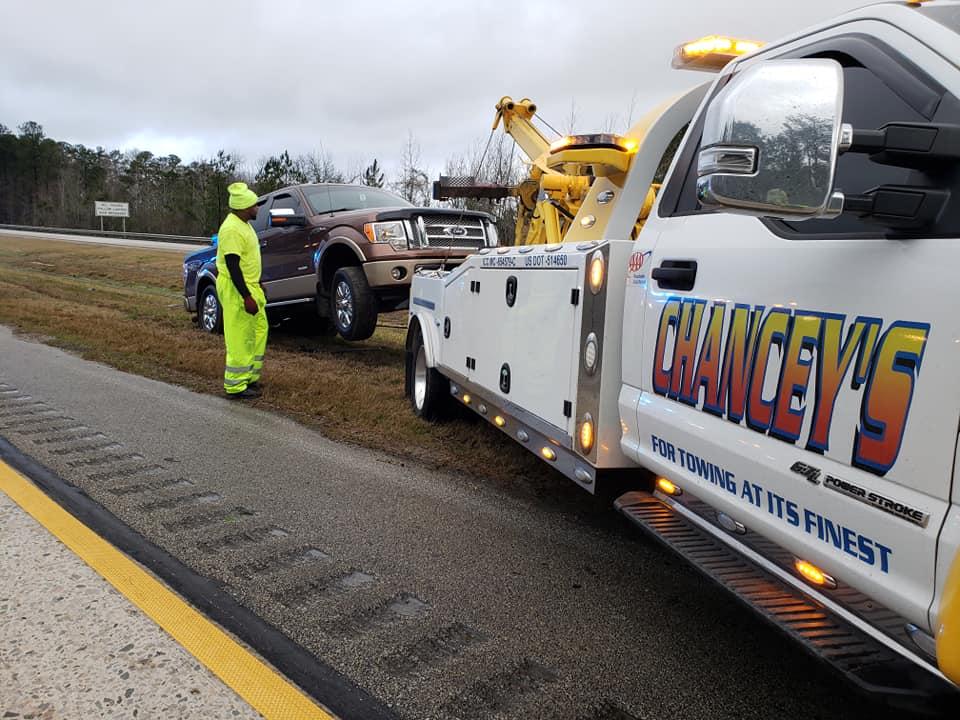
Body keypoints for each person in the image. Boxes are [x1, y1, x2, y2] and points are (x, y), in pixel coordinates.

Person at [215, 182, 266, 399]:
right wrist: (246, 296)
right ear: (244, 207)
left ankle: (249, 378)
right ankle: (235, 386)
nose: (257, 208)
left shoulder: (243, 224)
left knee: (258, 330)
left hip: (250, 286)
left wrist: (257, 285)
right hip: (237, 289)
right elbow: (233, 266)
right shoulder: (232, 229)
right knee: (240, 336)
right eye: (254, 205)